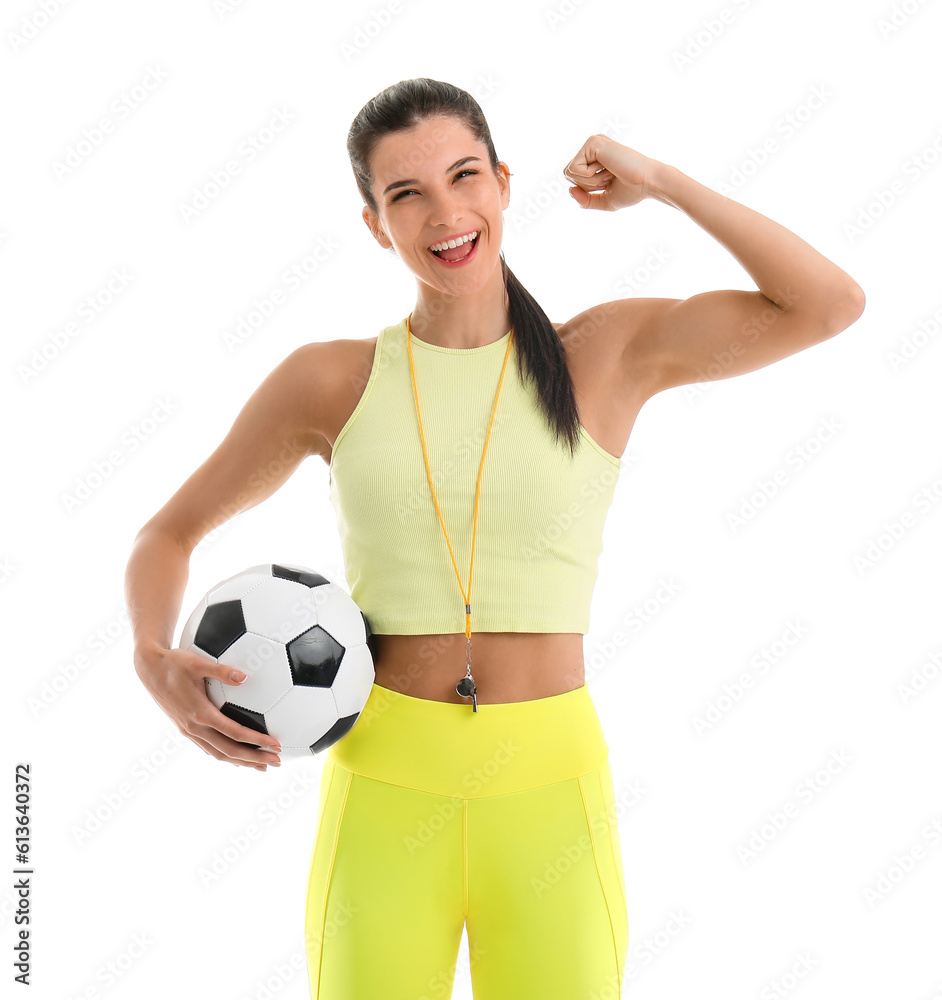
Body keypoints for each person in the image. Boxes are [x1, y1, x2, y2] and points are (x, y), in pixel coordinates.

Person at [125, 78, 865, 999]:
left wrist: (663, 181)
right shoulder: (331, 381)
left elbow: (828, 305)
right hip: (386, 790)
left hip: (552, 794)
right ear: (374, 225)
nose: (445, 213)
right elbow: (168, 532)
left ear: (505, 184)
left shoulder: (606, 354)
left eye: (464, 175)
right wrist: (152, 656)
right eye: (406, 195)